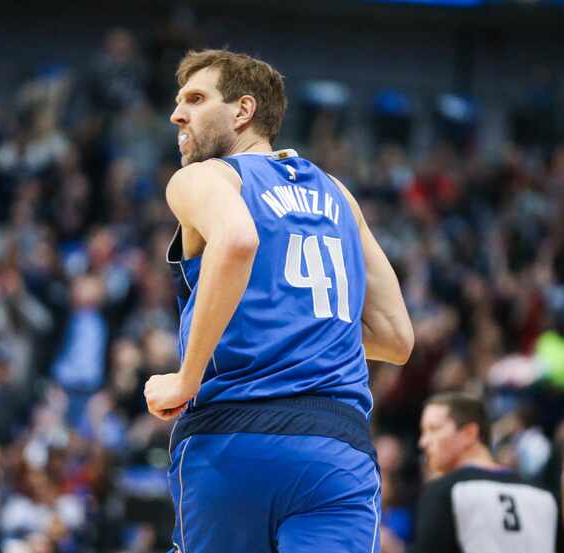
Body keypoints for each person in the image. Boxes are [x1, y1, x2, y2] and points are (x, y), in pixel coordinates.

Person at [143, 49, 414, 553]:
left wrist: (186, 377)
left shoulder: (207, 176)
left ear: (243, 111)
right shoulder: (338, 194)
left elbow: (238, 240)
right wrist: (296, 318)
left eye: (196, 99)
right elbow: (397, 339)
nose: (177, 114)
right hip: (336, 448)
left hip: (233, 439)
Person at [413, 392, 559, 553]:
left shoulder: (444, 491)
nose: (423, 442)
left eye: (433, 429)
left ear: (470, 433)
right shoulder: (546, 496)